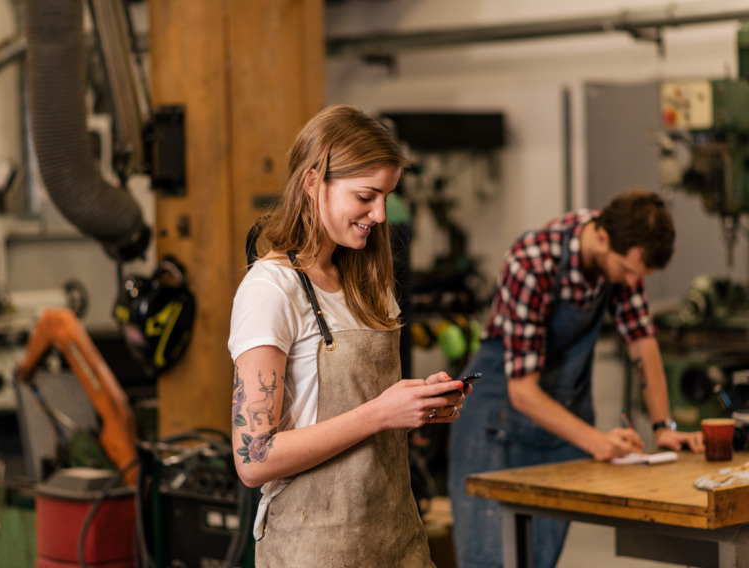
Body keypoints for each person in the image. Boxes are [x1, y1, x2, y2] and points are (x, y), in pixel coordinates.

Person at [229, 104, 470, 568]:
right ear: (312, 182)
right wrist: (381, 413)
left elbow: (375, 406)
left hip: (395, 535)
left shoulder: (367, 281)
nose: (380, 214)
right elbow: (253, 458)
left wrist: (418, 404)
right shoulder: (269, 290)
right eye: (366, 196)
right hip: (314, 547)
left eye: (387, 196)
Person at [447, 189, 705, 568]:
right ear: (602, 237)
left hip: (560, 426)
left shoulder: (620, 253)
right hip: (498, 421)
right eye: (628, 270)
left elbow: (642, 342)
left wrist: (663, 427)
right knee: (492, 560)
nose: (633, 281)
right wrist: (597, 441)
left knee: (539, 561)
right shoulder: (533, 262)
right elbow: (522, 392)